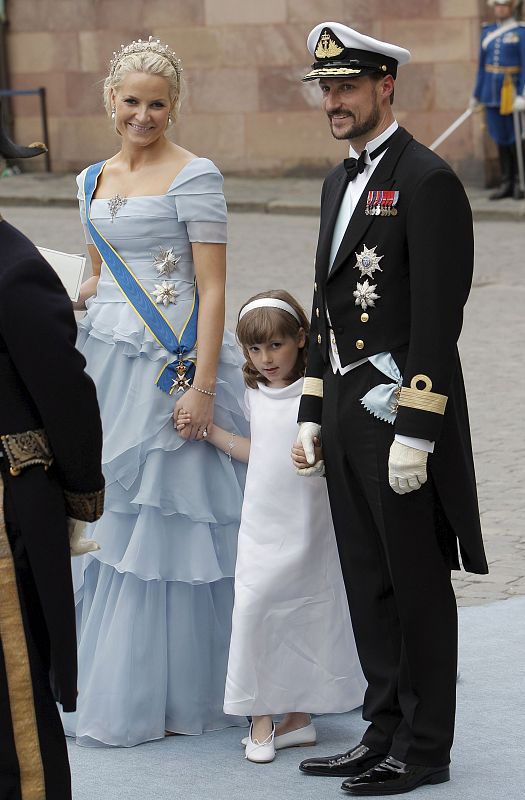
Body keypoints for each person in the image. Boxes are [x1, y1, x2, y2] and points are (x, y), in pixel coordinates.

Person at [294, 23, 488, 796]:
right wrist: (310, 404)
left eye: (345, 86)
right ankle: (382, 730)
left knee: (413, 584)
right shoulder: (337, 183)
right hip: (343, 406)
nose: (333, 101)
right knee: (366, 578)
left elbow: (439, 320)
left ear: (385, 87)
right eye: (325, 88)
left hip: (396, 413)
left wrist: (417, 430)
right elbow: (324, 304)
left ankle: (427, 746)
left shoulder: (428, 178)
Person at [62, 36, 248, 747]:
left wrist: (203, 389)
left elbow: (212, 287)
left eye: (157, 104)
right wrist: (65, 295)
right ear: (112, 100)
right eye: (132, 101)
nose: (144, 115)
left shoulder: (195, 175)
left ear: (174, 107)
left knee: (172, 515)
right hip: (105, 363)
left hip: (173, 363)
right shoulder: (88, 180)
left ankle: (193, 689)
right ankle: (107, 676)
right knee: (109, 511)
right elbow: (96, 273)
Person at [177, 290, 366, 764]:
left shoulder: (317, 392)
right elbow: (254, 449)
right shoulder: (252, 393)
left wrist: (317, 451)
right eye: (255, 350)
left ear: (302, 339)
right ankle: (260, 716)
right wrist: (206, 431)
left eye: (276, 346)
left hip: (311, 522)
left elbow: (332, 447)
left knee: (304, 612)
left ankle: (298, 718)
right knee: (255, 606)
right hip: (263, 523)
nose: (266, 359)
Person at [0, 110, 104, 799]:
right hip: (10, 499)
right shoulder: (12, 266)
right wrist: (80, 489)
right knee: (18, 704)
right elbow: (64, 391)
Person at [470, 0, 525, 199]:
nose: (500, 8)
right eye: (498, 5)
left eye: (504, 5)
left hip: (511, 94)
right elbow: (481, 67)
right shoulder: (487, 32)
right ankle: (506, 182)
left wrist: (522, 94)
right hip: (490, 94)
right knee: (500, 138)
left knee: (515, 139)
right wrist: (476, 95)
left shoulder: (520, 32)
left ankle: (520, 182)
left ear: (511, 7)